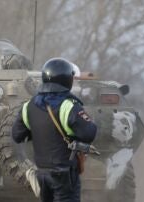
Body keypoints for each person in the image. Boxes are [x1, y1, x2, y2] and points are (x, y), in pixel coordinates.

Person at [11, 58, 97, 202]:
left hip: (42, 174)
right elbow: (89, 133)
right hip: (64, 175)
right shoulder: (68, 106)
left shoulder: (28, 106)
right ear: (67, 80)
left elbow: (17, 135)